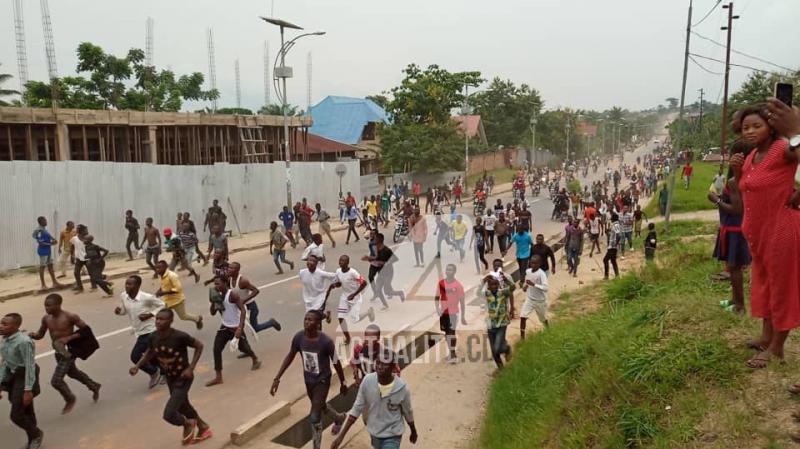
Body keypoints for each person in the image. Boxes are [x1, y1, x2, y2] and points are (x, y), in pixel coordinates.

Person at [730, 104, 800, 369]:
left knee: (781, 288)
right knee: (764, 284)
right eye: (746, 127)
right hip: (758, 235)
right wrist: (738, 174)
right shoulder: (751, 157)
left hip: (781, 231)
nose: (750, 131)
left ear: (772, 126)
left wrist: (795, 131)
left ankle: (777, 348)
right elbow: (747, 191)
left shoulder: (783, 148)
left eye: (756, 126)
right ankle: (766, 337)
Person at [130, 309, 212, 445]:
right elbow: (150, 352)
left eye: (162, 319)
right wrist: (137, 366)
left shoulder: (179, 336)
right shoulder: (153, 337)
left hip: (183, 378)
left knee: (169, 414)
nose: (158, 321)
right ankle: (203, 427)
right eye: (157, 319)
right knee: (183, 405)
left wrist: (190, 368)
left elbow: (199, 346)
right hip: (170, 377)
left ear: (171, 321)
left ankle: (187, 424)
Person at [271, 311, 347, 449]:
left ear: (318, 324)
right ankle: (339, 418)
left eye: (310, 320)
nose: (307, 322)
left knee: (314, 415)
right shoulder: (299, 338)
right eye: (305, 319)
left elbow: (336, 362)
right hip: (309, 380)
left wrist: (343, 382)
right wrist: (277, 378)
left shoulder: (326, 342)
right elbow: (290, 356)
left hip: (322, 381)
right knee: (320, 405)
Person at [331, 349, 418, 449]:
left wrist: (413, 430)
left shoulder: (402, 389)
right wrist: (341, 437)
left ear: (393, 367)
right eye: (378, 362)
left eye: (385, 364)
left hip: (393, 434)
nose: (380, 367)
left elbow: (408, 412)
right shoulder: (367, 381)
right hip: (375, 433)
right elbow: (356, 409)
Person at [28, 294, 100, 414]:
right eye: (45, 305)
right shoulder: (46, 318)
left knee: (56, 381)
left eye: (49, 305)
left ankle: (70, 399)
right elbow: (41, 334)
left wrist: (68, 338)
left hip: (68, 352)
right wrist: (33, 335)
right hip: (58, 351)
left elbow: (86, 330)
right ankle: (94, 386)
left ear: (58, 304)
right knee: (73, 373)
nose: (46, 308)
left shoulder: (70, 316)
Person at [205, 276, 261, 387]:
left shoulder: (232, 295)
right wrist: (213, 302)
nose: (216, 286)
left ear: (225, 283)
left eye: (218, 284)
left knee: (243, 348)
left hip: (235, 327)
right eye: (215, 284)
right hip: (225, 326)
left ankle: (255, 358)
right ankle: (218, 376)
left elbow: (243, 310)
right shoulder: (218, 296)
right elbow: (212, 313)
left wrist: (240, 328)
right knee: (216, 349)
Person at [1, 313, 44, 449]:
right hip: (14, 374)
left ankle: (36, 434)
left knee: (16, 415)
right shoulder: (6, 340)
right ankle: (32, 439)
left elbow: (30, 366)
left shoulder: (24, 342)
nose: (1, 326)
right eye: (1, 323)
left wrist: (27, 390)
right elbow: (5, 363)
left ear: (15, 327)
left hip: (25, 374)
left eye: (5, 324)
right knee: (25, 409)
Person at [115, 275, 165, 389]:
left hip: (150, 330)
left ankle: (153, 372)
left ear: (137, 286)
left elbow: (162, 305)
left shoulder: (146, 297)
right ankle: (164, 371)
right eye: (126, 284)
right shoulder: (123, 296)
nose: (127, 286)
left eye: (130, 284)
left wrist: (150, 314)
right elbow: (124, 311)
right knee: (152, 354)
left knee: (135, 355)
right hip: (138, 330)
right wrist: (119, 311)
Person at [326, 255, 373, 345]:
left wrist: (354, 294)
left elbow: (364, 283)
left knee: (354, 320)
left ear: (347, 263)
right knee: (340, 318)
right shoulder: (338, 271)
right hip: (344, 297)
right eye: (340, 260)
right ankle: (347, 338)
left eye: (343, 261)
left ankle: (368, 312)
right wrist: (335, 285)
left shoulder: (353, 273)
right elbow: (340, 282)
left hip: (355, 297)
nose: (341, 262)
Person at [228, 262, 281, 334]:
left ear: (237, 270)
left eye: (232, 268)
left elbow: (256, 290)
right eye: (229, 267)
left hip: (251, 307)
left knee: (255, 328)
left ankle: (271, 323)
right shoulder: (230, 279)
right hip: (240, 307)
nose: (229, 270)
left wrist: (244, 300)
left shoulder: (242, 281)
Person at [155, 261, 204, 330]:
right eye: (156, 268)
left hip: (177, 300)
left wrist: (163, 293)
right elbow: (164, 285)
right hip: (167, 301)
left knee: (183, 316)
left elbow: (178, 289)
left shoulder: (172, 276)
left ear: (166, 267)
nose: (157, 270)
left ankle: (197, 318)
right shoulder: (162, 275)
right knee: (162, 316)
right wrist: (159, 291)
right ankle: (165, 330)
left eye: (159, 268)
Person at [481, 275, 515, 369]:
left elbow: (513, 287)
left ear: (499, 285)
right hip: (490, 325)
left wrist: (507, 280)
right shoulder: (486, 294)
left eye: (496, 284)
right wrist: (483, 280)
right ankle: (501, 369)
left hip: (502, 324)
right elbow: (476, 292)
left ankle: (507, 349)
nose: (494, 287)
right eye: (492, 285)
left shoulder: (503, 293)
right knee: (494, 351)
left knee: (497, 348)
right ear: (488, 286)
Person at [363, 233, 405, 310]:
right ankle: (385, 305)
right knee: (378, 290)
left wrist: (385, 263)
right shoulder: (375, 248)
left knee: (387, 292)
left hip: (388, 273)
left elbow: (395, 258)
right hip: (381, 272)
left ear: (379, 240)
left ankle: (400, 293)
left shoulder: (386, 250)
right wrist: (368, 258)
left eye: (375, 239)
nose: (373, 240)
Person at [435, 264, 467, 363]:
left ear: (454, 272)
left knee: (451, 333)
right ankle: (451, 352)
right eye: (447, 269)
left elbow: (462, 302)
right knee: (446, 333)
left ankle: (453, 354)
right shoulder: (441, 283)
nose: (448, 271)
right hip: (443, 313)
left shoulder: (458, 286)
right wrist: (437, 308)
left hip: (453, 313)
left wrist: (462, 317)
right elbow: (437, 297)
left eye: (450, 270)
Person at [299, 255, 337, 323]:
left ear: (316, 264)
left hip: (320, 297)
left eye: (312, 261)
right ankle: (326, 316)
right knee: (311, 316)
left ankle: (318, 332)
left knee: (315, 317)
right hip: (308, 299)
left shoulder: (320, 273)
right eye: (309, 260)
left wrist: (336, 283)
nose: (310, 262)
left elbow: (334, 276)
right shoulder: (302, 272)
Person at [521, 254, 549, 338]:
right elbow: (527, 280)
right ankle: (522, 337)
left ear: (539, 264)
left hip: (540, 301)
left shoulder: (541, 274)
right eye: (531, 263)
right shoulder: (528, 271)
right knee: (523, 316)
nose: (533, 265)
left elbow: (546, 288)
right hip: (530, 299)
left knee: (543, 319)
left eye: (535, 263)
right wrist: (525, 286)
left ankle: (549, 330)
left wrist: (534, 285)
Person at [32, 216, 63, 292]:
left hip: (48, 251)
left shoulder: (44, 229)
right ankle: (43, 285)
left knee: (50, 266)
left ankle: (55, 282)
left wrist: (53, 239)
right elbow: (41, 242)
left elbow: (49, 237)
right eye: (45, 220)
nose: (46, 222)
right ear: (41, 221)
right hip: (43, 251)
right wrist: (51, 244)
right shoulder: (39, 230)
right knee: (42, 267)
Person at [70, 225, 89, 292]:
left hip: (87, 258)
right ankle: (80, 286)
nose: (87, 231)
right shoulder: (74, 238)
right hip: (79, 258)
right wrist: (72, 256)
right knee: (76, 272)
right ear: (82, 231)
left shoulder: (87, 238)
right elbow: (72, 247)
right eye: (86, 230)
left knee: (91, 272)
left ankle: (94, 285)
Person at [604, 214, 621, 280]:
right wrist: (608, 233)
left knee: (605, 260)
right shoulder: (615, 225)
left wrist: (615, 244)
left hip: (612, 247)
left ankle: (606, 276)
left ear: (613, 219)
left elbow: (618, 235)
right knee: (613, 261)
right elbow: (614, 235)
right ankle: (617, 276)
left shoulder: (616, 225)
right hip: (612, 246)